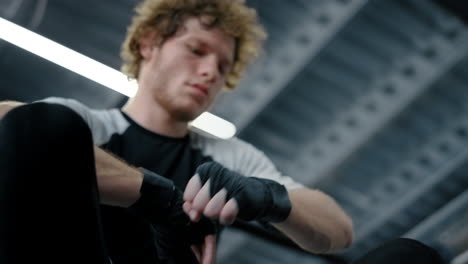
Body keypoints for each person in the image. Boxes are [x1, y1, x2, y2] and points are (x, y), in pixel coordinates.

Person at [0, 0, 444, 263]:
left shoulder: (226, 156)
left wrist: (272, 198)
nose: (210, 72)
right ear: (149, 45)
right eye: (197, 50)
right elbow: (18, 126)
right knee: (46, 127)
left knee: (408, 257)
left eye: (223, 67)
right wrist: (158, 197)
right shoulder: (92, 125)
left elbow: (338, 232)